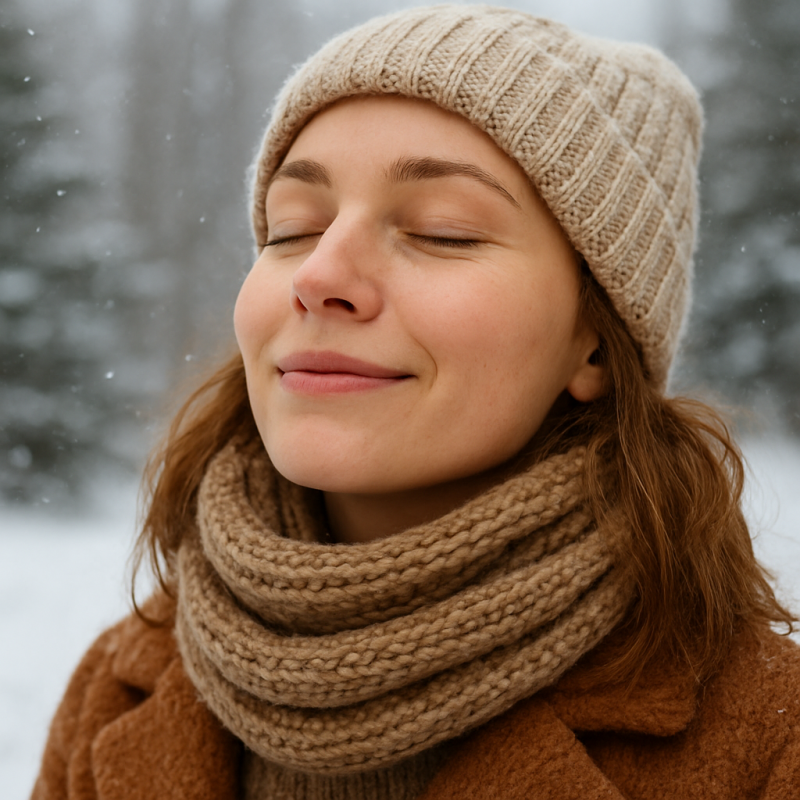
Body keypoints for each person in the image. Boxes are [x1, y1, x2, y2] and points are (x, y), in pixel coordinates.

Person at [31, 5, 800, 799]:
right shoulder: (120, 686)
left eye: (443, 231)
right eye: (293, 228)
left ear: (596, 342)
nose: (319, 275)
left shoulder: (771, 742)